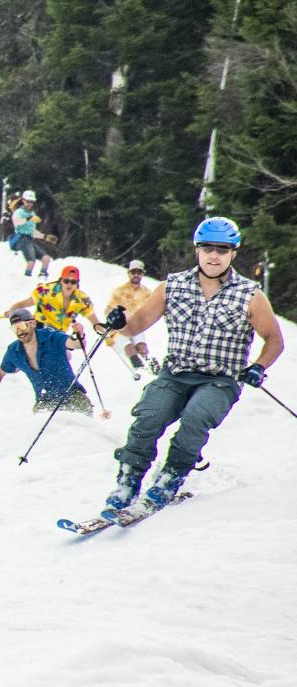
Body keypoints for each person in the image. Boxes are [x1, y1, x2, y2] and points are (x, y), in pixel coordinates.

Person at [101, 217, 285, 512]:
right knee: (149, 416)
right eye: (208, 248)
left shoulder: (250, 295)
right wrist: (119, 322)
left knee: (196, 418)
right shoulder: (170, 287)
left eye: (222, 249)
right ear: (197, 250)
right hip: (175, 374)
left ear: (233, 253)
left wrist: (259, 366)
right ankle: (129, 478)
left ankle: (171, 476)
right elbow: (137, 323)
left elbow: (274, 339)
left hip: (219, 379)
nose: (214, 255)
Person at [0, 307, 92, 416]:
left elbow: (75, 344)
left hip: (73, 397)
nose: (19, 332)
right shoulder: (14, 351)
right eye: (15, 328)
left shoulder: (51, 337)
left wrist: (79, 335)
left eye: (22, 326)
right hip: (44, 402)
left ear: (33, 323)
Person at [8, 265, 100, 340]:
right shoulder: (45, 290)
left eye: (73, 282)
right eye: (66, 281)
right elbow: (22, 304)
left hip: (59, 335)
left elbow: (95, 323)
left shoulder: (82, 299)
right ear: (61, 280)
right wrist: (11, 312)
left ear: (77, 283)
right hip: (39, 330)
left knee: (67, 355)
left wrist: (108, 333)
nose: (69, 284)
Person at [105, 260, 158, 373]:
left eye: (139, 272)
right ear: (129, 273)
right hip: (119, 329)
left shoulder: (147, 293)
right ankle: (139, 370)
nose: (136, 275)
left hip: (136, 327)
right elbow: (108, 310)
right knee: (129, 348)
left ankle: (151, 366)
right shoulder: (119, 291)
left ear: (143, 274)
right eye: (133, 272)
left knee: (142, 347)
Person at [8, 190, 53, 278]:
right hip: (21, 239)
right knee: (31, 260)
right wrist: (29, 218)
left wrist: (44, 236)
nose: (30, 204)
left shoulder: (32, 214)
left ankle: (42, 275)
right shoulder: (19, 212)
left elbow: (32, 231)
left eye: (32, 202)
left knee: (46, 259)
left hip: (30, 239)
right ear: (23, 200)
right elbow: (17, 223)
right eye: (28, 201)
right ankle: (27, 277)